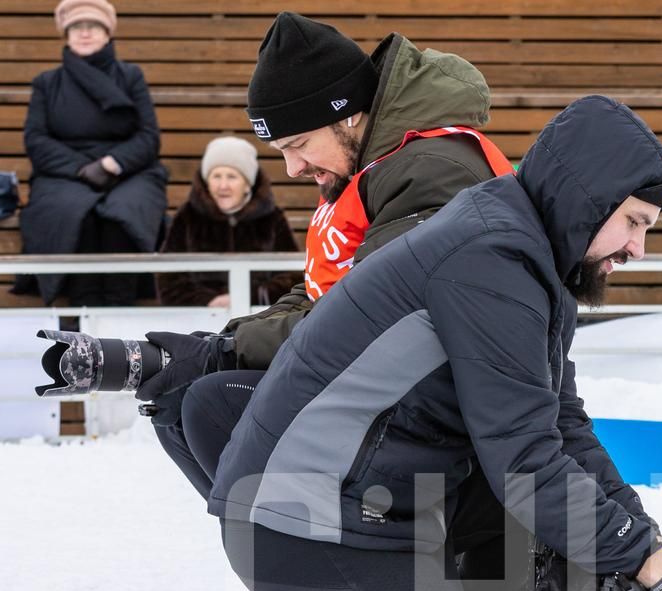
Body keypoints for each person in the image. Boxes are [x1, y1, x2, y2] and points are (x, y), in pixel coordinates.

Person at [118, 97, 662, 591]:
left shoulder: (528, 253)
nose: (637, 248)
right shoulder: (492, 259)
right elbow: (527, 463)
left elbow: (564, 428)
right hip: (301, 518)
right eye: (633, 223)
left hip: (376, 509)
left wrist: (654, 553)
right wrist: (658, 571)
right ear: (586, 199)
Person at [138, 12, 504, 504]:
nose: (292, 168)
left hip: (445, 410)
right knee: (181, 401)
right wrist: (217, 343)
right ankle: (288, 555)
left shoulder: (430, 172)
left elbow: (372, 317)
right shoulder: (367, 167)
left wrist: (219, 355)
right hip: (389, 381)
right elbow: (319, 292)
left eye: (299, 145)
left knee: (211, 401)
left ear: (347, 114)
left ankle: (329, 559)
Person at [16, 0, 167, 306]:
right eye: (77, 27)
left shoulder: (131, 76)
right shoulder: (47, 83)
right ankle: (81, 309)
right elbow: (36, 139)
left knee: (125, 211)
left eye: (93, 26)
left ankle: (120, 308)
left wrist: (112, 164)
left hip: (128, 170)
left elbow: (148, 137)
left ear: (107, 33)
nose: (85, 33)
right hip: (65, 173)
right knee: (73, 211)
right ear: (66, 34)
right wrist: (82, 169)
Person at [156, 135, 298, 309]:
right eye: (216, 176)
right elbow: (168, 279)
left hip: (258, 316)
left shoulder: (272, 218)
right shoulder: (188, 216)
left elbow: (292, 276)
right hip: (199, 317)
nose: (223, 185)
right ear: (207, 182)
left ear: (247, 185)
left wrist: (248, 297)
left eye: (231, 177)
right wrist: (208, 301)